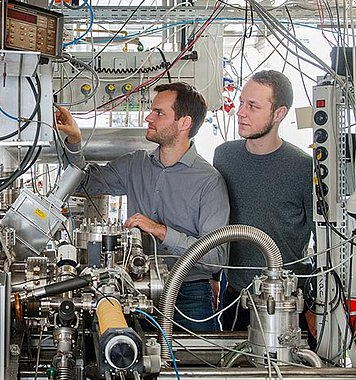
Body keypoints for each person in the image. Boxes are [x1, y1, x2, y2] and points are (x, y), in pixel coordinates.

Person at [56, 82, 230, 331]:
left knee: (198, 366)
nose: (149, 117)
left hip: (189, 295)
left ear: (184, 123)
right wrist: (74, 139)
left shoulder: (209, 182)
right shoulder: (135, 165)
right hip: (139, 290)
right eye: (152, 110)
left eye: (159, 113)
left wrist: (161, 231)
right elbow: (84, 184)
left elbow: (216, 259)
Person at [213, 70, 313, 332]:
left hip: (289, 301)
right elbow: (215, 221)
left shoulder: (303, 168)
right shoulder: (225, 157)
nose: (241, 111)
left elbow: (321, 236)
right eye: (242, 102)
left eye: (253, 106)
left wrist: (315, 305)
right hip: (237, 295)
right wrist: (213, 278)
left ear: (278, 114)